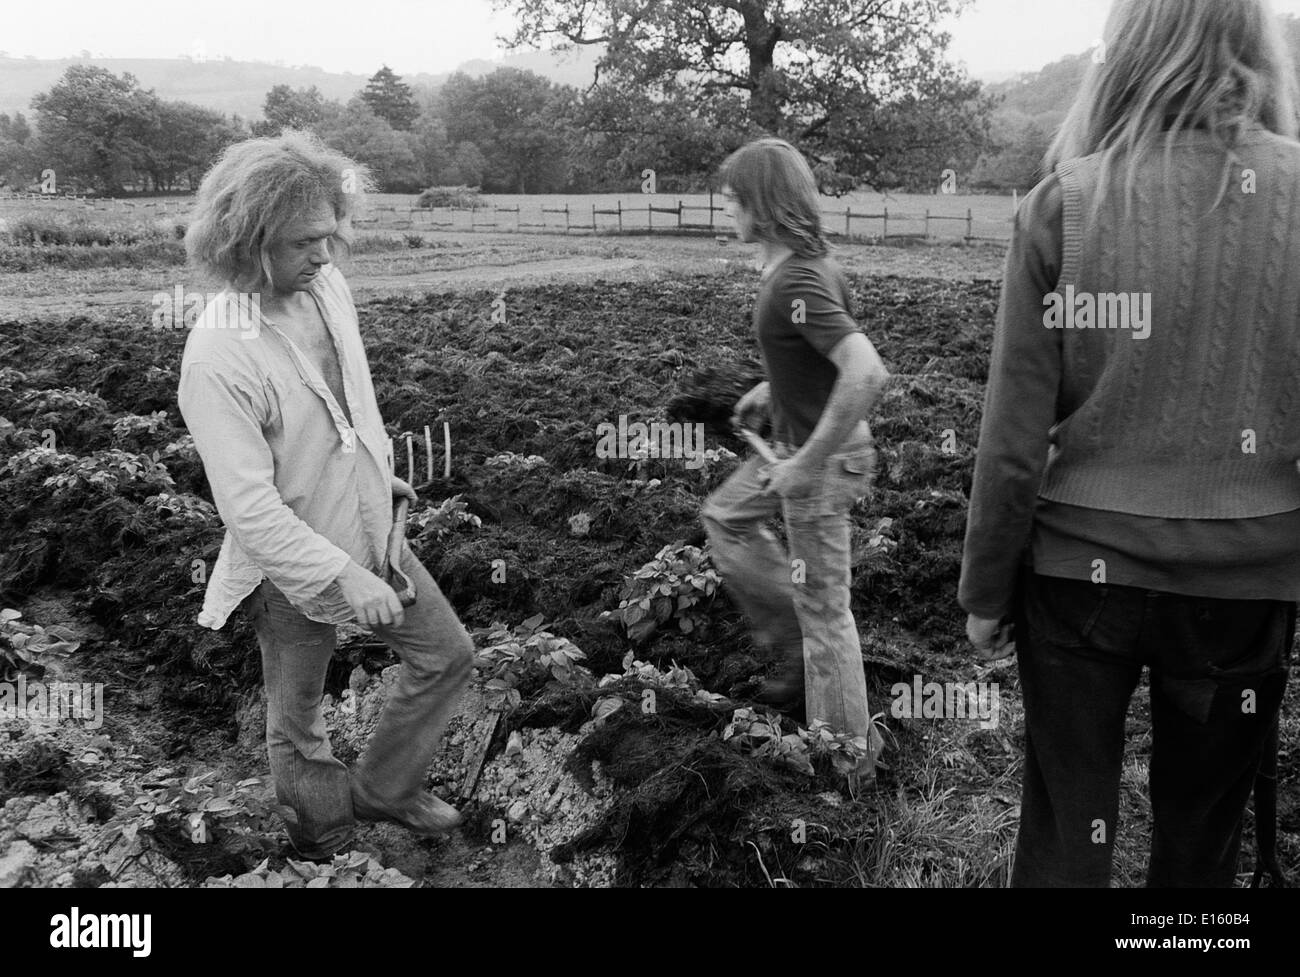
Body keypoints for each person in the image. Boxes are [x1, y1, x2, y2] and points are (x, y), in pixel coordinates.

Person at [959, 0, 1300, 887]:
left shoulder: (1064, 205)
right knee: (1202, 847)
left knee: (1071, 838)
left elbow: (1011, 440)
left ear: (1126, 50)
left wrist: (986, 592)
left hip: (1078, 585)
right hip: (1245, 588)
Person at [177, 131, 474, 860]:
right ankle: (328, 846)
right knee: (298, 720)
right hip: (288, 567)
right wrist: (341, 572)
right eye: (307, 240)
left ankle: (385, 788)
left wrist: (374, 472)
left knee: (447, 654)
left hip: (371, 523)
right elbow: (249, 512)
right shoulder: (219, 357)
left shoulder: (324, 286)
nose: (327, 255)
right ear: (247, 239)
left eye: (333, 235)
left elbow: (347, 406)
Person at [702, 138, 890, 772]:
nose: (726, 209)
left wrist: (807, 463)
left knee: (826, 612)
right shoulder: (800, 269)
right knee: (726, 516)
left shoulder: (799, 279)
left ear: (762, 203)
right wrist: (770, 387)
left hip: (823, 462)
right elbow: (814, 355)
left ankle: (846, 762)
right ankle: (790, 638)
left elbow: (865, 373)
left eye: (733, 200)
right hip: (788, 445)